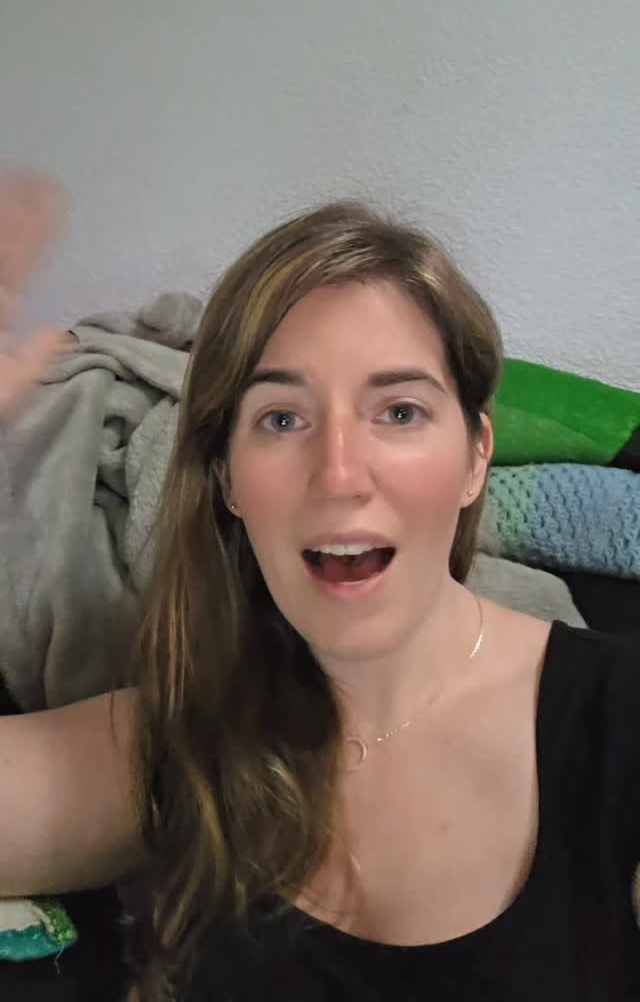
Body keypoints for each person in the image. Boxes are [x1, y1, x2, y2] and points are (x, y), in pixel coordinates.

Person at [1, 170, 640, 1002]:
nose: (339, 475)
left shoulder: (621, 725)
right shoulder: (186, 735)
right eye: (281, 419)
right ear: (228, 480)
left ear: (475, 458)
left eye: (399, 412)